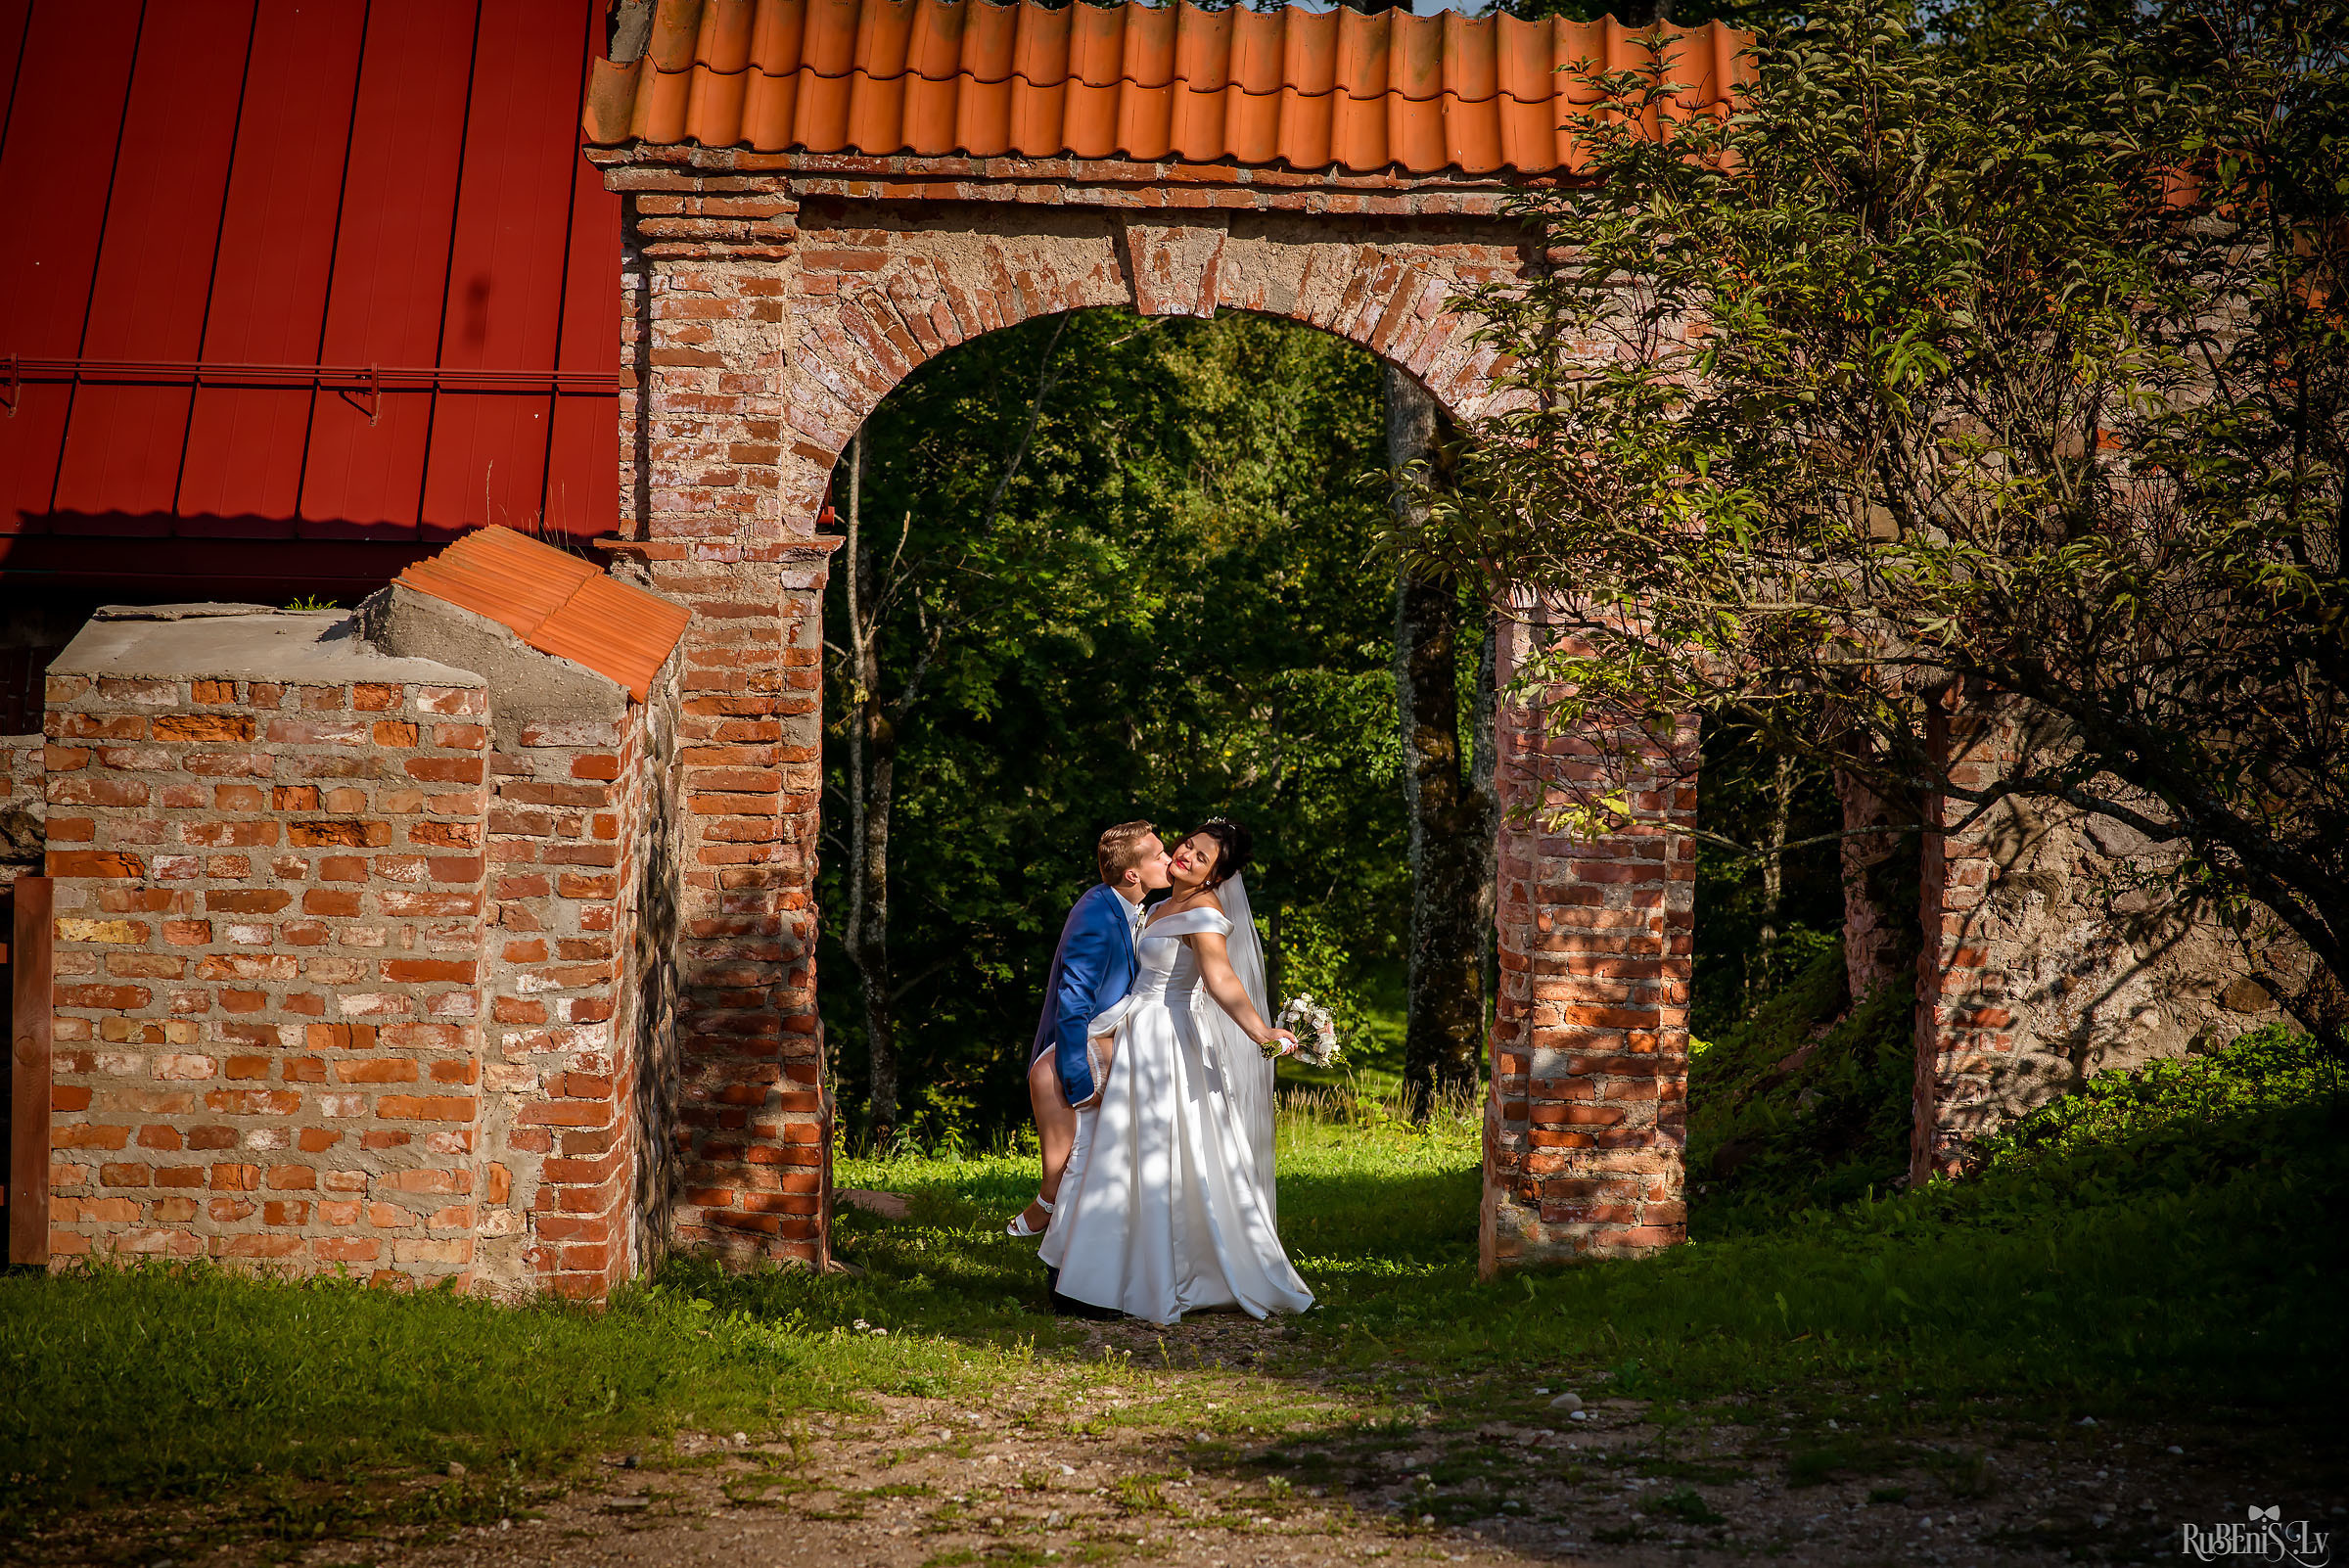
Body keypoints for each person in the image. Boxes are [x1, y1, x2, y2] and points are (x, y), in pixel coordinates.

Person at [1038, 819, 1315, 1324]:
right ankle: (1091, 1273)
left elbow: (1220, 978)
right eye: (1188, 845)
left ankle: (1148, 1275)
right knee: (1116, 1154)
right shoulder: (1160, 904)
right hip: (1135, 1032)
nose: (1185, 855)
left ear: (1215, 877)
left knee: (1156, 1157)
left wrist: (1261, 1032)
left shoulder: (1204, 913)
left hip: (1167, 1038)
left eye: (1201, 857)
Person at [1006, 820, 1172, 1241]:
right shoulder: (1097, 914)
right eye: (1159, 855)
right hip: (1092, 1039)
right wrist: (1077, 1081)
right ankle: (1053, 1208)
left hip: (1135, 1034)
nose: (1169, 860)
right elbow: (1074, 1000)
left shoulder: (1137, 907)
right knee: (1063, 1109)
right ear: (1133, 874)